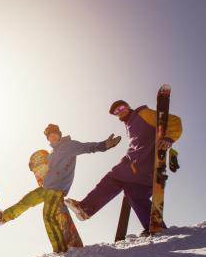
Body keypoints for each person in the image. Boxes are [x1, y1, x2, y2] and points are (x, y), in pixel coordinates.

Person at [0, 124, 120, 253]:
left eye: (55, 133)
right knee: (26, 201)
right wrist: (34, 166)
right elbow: (42, 167)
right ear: (48, 138)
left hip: (56, 188)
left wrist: (105, 145)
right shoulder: (52, 153)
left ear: (59, 134)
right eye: (49, 135)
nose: (52, 136)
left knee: (49, 216)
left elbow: (86, 147)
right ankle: (3, 217)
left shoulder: (68, 146)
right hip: (46, 187)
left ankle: (60, 249)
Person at [65, 100, 183, 234]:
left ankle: (86, 208)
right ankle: (155, 227)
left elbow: (174, 120)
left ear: (127, 106)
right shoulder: (129, 124)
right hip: (137, 167)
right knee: (134, 194)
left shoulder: (143, 114)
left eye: (121, 107)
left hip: (141, 164)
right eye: (116, 111)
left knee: (113, 178)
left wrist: (169, 138)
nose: (119, 111)